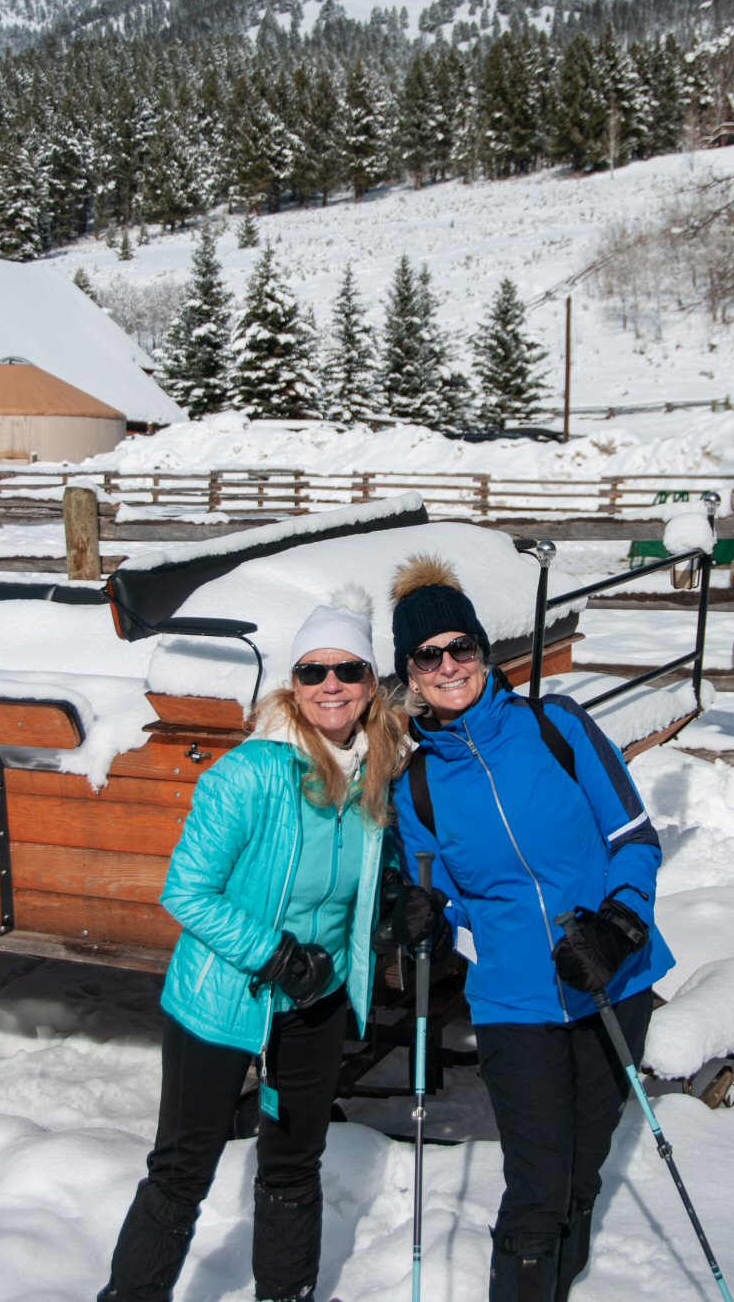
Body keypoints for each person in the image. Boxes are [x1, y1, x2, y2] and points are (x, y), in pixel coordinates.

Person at [97, 593, 406, 1302]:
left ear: (369, 682)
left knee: (294, 1164)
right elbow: (186, 889)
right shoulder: (248, 775)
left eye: (348, 669)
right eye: (314, 670)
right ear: (294, 686)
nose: (331, 684)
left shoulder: (374, 772)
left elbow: (356, 879)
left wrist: (396, 903)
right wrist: (274, 955)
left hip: (315, 1000)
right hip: (221, 995)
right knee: (183, 1167)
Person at [385, 554, 675, 1302]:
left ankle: (560, 1281)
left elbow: (634, 837)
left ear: (485, 651)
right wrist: (422, 920)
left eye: (463, 647)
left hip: (614, 977)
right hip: (518, 1003)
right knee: (538, 1185)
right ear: (410, 674)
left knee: (584, 1164)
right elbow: (436, 899)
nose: (450, 665)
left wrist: (618, 925)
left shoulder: (558, 728)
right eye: (430, 654)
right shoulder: (416, 785)